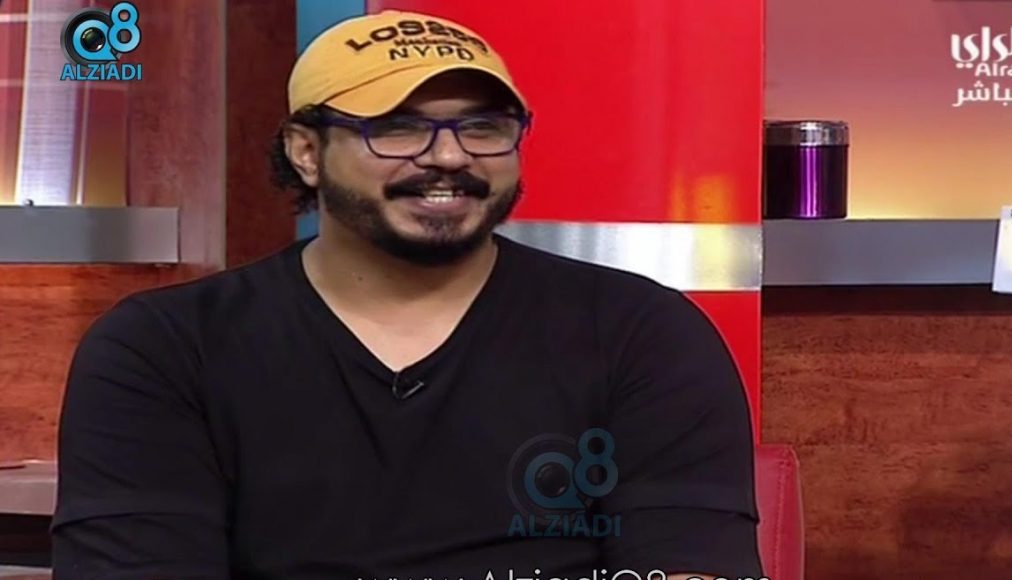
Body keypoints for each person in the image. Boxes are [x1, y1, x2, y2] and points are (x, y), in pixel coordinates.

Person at [51, 9, 764, 580]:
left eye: (483, 126)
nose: (449, 155)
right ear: (306, 151)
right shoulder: (164, 350)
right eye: (397, 128)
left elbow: (691, 560)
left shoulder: (643, 334)